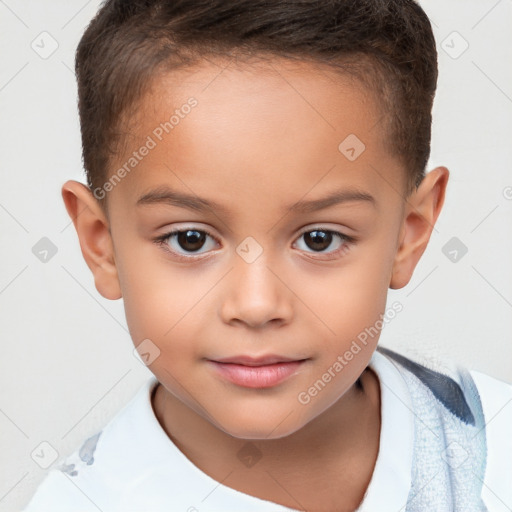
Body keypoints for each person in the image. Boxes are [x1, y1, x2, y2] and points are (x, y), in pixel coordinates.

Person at [23, 0, 512, 510]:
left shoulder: (498, 452)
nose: (256, 305)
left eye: (320, 239)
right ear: (101, 243)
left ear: (408, 234)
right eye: (190, 239)